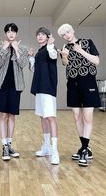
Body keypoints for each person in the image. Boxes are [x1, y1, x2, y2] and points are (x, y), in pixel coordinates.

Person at [57, 23, 100, 167]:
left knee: (87, 117)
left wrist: (80, 50)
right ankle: (84, 147)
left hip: (88, 83)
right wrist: (64, 56)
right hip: (73, 84)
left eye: (68, 32)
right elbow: (65, 64)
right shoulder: (64, 48)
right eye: (63, 34)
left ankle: (84, 149)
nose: (67, 35)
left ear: (73, 30)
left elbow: (96, 61)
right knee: (76, 116)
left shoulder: (87, 42)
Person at [0, 23, 29, 161]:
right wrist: (5, 48)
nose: (11, 34)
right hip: (2, 85)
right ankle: (4, 147)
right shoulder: (0, 48)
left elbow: (23, 64)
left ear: (16, 34)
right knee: (3, 115)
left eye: (13, 31)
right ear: (5, 34)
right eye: (8, 32)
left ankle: (10, 144)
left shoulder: (23, 48)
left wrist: (17, 50)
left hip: (16, 85)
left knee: (12, 116)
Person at [28, 27, 60, 165]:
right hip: (39, 88)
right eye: (38, 34)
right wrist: (30, 57)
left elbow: (53, 56)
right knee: (43, 117)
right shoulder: (40, 52)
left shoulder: (50, 48)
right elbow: (34, 68)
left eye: (43, 34)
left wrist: (51, 44)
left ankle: (55, 151)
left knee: (50, 117)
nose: (40, 36)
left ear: (48, 37)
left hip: (48, 88)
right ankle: (46, 146)